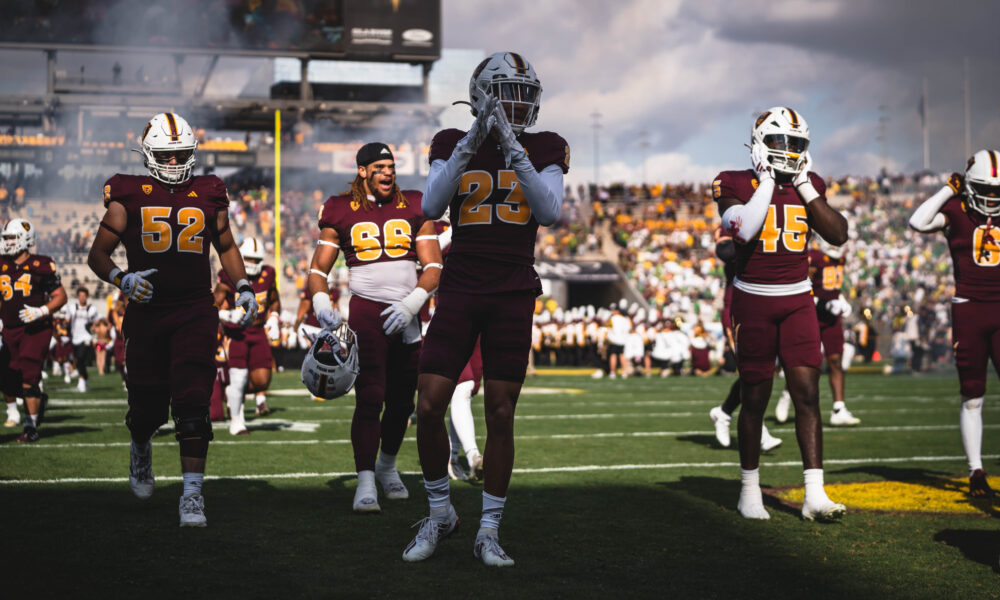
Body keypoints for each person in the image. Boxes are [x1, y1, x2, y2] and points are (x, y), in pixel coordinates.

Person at [403, 51, 568, 566]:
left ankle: (489, 530)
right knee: (428, 404)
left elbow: (550, 211)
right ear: (482, 97)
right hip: (460, 286)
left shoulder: (546, 145)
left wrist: (513, 150)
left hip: (513, 288)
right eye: (508, 97)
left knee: (500, 411)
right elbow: (430, 206)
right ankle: (440, 513)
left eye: (525, 97)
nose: (518, 108)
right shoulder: (452, 141)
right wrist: (475, 140)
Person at [88, 112, 258, 527]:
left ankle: (193, 495)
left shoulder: (209, 191)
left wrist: (244, 285)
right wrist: (121, 279)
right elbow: (98, 254)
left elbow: (227, 244)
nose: (174, 161)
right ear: (148, 155)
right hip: (147, 312)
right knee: (147, 409)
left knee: (193, 403)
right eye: (165, 154)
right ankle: (141, 445)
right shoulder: (127, 193)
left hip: (195, 309)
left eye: (180, 153)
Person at [715, 106, 848, 521]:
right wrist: (769, 181)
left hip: (798, 301)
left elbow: (838, 235)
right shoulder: (734, 181)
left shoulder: (811, 183)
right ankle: (749, 489)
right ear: (759, 142)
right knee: (755, 396)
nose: (788, 151)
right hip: (753, 299)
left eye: (796, 144)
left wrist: (806, 187)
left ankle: (815, 493)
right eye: (779, 142)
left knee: (808, 394)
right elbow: (746, 228)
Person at [306, 142, 442, 513]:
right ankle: (365, 479)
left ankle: (386, 466)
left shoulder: (415, 203)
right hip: (366, 311)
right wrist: (322, 304)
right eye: (380, 166)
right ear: (363, 170)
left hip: (407, 312)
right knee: (370, 397)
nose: (388, 172)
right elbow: (318, 271)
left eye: (391, 166)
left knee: (401, 402)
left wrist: (413, 302)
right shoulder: (339, 208)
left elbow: (433, 267)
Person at [908, 149, 1000, 498]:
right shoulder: (957, 209)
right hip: (970, 309)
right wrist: (949, 189)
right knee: (972, 395)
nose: (992, 198)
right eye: (985, 190)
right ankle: (975, 470)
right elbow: (918, 221)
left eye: (998, 191)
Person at [707, 227, 781, 451]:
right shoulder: (737, 220)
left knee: (762, 371)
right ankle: (758, 430)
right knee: (753, 373)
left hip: (760, 302)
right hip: (738, 305)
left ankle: (724, 412)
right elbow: (725, 250)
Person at [0, 218, 67, 441]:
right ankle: (37, 401)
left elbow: (60, 297)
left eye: (11, 237)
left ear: (25, 239)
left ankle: (30, 427)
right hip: (9, 329)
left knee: (29, 374)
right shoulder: (1, 263)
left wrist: (41, 311)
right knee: (8, 378)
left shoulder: (41, 264)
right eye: (6, 237)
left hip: (36, 328)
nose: (7, 242)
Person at [215, 236, 280, 434]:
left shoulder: (268, 274)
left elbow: (273, 299)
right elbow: (212, 304)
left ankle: (232, 392)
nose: (252, 264)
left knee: (262, 380)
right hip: (237, 333)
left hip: (258, 329)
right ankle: (237, 421)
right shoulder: (228, 276)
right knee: (239, 376)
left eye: (256, 260)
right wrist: (227, 315)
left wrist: (274, 318)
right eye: (248, 259)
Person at [64, 286, 98, 392]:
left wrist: (93, 327)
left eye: (84, 295)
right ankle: (85, 377)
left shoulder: (92, 309)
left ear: (87, 297)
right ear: (78, 296)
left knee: (81, 357)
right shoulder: (72, 308)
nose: (82, 298)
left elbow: (96, 322)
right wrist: (64, 324)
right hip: (75, 337)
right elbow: (66, 320)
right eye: (80, 295)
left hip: (86, 337)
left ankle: (82, 380)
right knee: (78, 360)